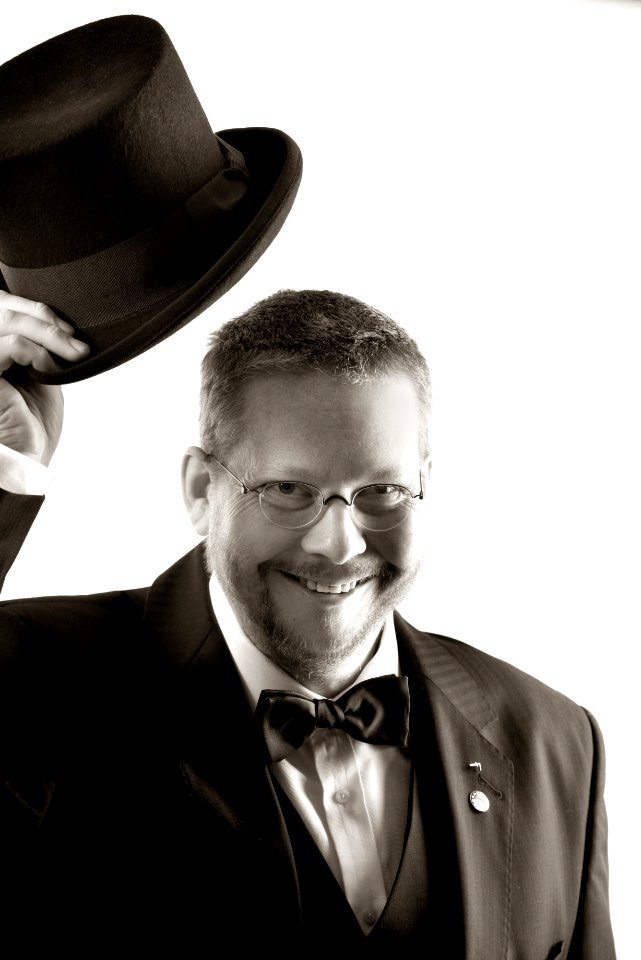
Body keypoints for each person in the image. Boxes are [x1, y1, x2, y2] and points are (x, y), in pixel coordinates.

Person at [0, 287, 616, 958]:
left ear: (424, 486)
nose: (340, 544)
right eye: (288, 490)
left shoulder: (556, 743)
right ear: (202, 492)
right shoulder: (26, 679)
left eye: (380, 491)